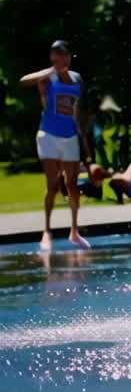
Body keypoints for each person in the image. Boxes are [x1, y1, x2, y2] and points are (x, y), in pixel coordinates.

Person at [18, 40, 92, 251]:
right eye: (57, 55)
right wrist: (50, 70)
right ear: (52, 57)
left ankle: (75, 231)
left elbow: (77, 110)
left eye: (65, 55)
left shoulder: (77, 78)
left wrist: (84, 143)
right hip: (48, 135)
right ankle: (47, 231)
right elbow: (23, 81)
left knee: (72, 185)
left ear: (69, 56)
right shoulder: (47, 76)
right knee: (52, 185)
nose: (62, 58)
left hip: (69, 136)